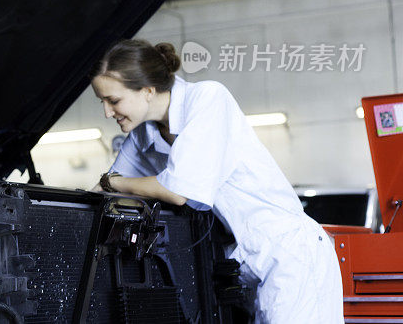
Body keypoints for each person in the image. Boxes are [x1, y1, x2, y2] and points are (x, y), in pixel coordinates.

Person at [91, 39, 343, 323]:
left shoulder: (207, 98)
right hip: (238, 267)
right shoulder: (142, 136)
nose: (107, 112)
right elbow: (102, 192)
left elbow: (176, 190)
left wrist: (118, 183)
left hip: (289, 254)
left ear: (148, 91)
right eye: (101, 101)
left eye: (113, 100)